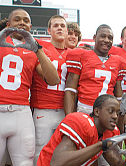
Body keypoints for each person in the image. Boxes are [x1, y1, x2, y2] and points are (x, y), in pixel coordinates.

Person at [0, 8, 59, 166]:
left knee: (25, 162)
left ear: (31, 27)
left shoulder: (33, 49)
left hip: (21, 112)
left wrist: (38, 49)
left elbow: (54, 80)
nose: (21, 23)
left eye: (26, 21)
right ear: (8, 24)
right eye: (17, 19)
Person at [37, 94, 126, 166]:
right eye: (111, 111)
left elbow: (117, 163)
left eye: (118, 113)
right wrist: (100, 145)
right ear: (96, 112)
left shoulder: (109, 132)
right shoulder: (81, 122)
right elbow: (57, 162)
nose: (115, 116)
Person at [30, 15, 68, 165]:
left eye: (62, 26)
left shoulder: (73, 53)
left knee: (62, 152)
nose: (59, 28)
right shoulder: (40, 47)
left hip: (64, 110)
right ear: (49, 30)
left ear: (67, 31)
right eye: (56, 25)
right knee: (39, 151)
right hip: (43, 109)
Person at [64, 24, 126, 115]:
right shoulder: (81, 55)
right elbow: (70, 90)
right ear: (94, 37)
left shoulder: (118, 62)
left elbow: (119, 96)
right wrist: (69, 117)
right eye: (103, 36)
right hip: (85, 109)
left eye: (110, 38)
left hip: (108, 113)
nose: (106, 40)